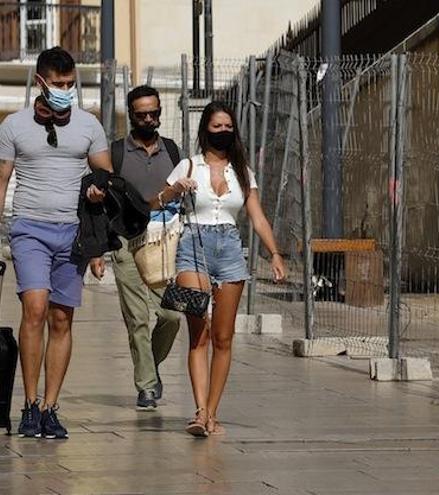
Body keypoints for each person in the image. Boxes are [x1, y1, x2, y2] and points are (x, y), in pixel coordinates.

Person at [150, 101, 287, 437]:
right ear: (205, 130)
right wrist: (175, 188)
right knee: (200, 334)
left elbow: (256, 216)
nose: (223, 132)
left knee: (223, 338)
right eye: (217, 127)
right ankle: (199, 412)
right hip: (192, 246)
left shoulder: (243, 172)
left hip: (228, 249)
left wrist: (275, 253)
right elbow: (156, 202)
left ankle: (212, 412)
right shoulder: (188, 165)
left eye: (228, 127)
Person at [0, 47, 111, 439]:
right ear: (41, 81)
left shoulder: (89, 125)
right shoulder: (13, 125)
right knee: (35, 308)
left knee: (61, 318)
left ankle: (50, 407)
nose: (66, 90)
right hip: (29, 227)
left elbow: (105, 176)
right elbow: (1, 180)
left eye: (70, 83)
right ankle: (29, 404)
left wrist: (98, 193)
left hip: (72, 231)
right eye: (59, 84)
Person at [110, 85, 182, 411]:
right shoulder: (117, 152)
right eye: (142, 114)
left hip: (163, 243)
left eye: (155, 113)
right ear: (131, 115)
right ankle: (147, 385)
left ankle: (149, 368)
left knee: (171, 315)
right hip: (126, 242)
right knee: (137, 319)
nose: (150, 119)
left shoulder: (171, 149)